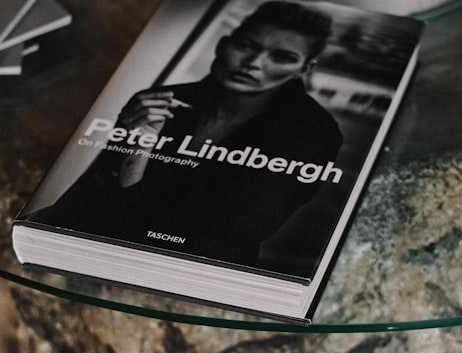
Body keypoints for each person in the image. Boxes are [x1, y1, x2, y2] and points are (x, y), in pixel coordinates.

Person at [34, 1, 344, 271]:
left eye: (282, 57)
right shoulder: (158, 100)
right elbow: (89, 194)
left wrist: (134, 176)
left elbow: (232, 228)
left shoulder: (312, 132)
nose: (254, 63)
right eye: (246, 46)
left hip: (198, 265)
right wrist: (137, 146)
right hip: (98, 245)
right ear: (224, 44)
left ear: (304, 68)